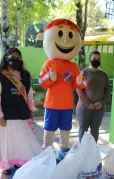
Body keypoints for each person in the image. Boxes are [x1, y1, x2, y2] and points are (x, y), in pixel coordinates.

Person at [0, 48, 42, 174]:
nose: (15, 60)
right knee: (6, 141)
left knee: (22, 140)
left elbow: (29, 94)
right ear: (5, 59)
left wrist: (31, 110)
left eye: (18, 58)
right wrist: (0, 116)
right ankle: (5, 164)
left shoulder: (25, 75)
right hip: (6, 115)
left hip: (21, 113)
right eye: (12, 58)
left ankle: (20, 161)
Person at [37, 18, 86, 162]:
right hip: (52, 105)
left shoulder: (73, 66)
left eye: (70, 36)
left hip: (67, 106)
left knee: (65, 133)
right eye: (60, 34)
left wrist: (80, 81)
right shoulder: (49, 63)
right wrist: (49, 77)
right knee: (49, 133)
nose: (65, 39)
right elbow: (41, 82)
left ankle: (62, 156)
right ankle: (46, 156)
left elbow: (81, 84)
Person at [76, 50, 111, 142]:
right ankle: (83, 151)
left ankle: (93, 151)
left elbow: (107, 91)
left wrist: (102, 103)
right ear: (89, 59)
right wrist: (88, 103)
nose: (96, 60)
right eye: (94, 58)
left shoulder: (104, 75)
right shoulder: (84, 72)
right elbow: (79, 89)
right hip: (84, 107)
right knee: (83, 129)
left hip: (99, 108)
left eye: (98, 59)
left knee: (95, 130)